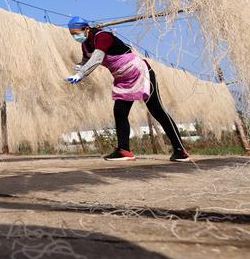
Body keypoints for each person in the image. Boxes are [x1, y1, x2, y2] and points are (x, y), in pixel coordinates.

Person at [64, 16, 190, 162]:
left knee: (157, 110)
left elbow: (97, 58)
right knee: (119, 111)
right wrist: (79, 67)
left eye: (76, 33)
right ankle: (124, 150)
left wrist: (81, 73)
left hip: (140, 72)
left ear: (86, 29)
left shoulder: (103, 36)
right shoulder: (85, 45)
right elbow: (87, 61)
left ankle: (180, 150)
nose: (75, 36)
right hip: (122, 78)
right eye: (72, 34)